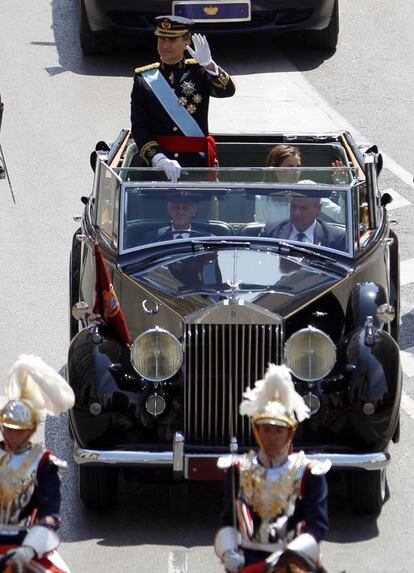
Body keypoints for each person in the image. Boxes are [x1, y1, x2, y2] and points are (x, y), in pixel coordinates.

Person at [214, 364, 330, 573]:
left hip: (294, 559)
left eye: (278, 430)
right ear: (257, 431)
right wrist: (228, 552)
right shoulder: (238, 470)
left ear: (289, 433)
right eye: (266, 429)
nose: (272, 437)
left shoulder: (308, 472)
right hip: (248, 560)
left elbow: (317, 526)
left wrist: (288, 555)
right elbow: (229, 519)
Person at [130, 15, 236, 182]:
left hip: (196, 165)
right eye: (161, 39)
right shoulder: (144, 79)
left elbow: (227, 91)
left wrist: (209, 65)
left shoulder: (199, 72)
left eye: (172, 40)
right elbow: (139, 127)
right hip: (158, 169)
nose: (165, 45)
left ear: (187, 42)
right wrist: (159, 159)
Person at [0, 355, 75, 572]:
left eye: (19, 429)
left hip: (25, 544)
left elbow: (50, 515)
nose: (14, 434)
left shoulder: (43, 463)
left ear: (30, 429)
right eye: (10, 428)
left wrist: (29, 550)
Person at [255, 145, 345, 224]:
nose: (296, 171)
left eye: (298, 167)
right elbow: (262, 230)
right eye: (290, 167)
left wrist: (343, 186)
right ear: (275, 170)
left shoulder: (309, 188)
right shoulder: (262, 196)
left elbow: (341, 217)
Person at [260, 192, 346, 251]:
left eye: (303, 208)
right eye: (293, 206)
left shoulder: (336, 239)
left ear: (318, 208)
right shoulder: (270, 232)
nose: (296, 213)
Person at [144, 197, 209, 242]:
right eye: (176, 207)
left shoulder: (207, 239)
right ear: (168, 210)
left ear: (194, 212)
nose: (180, 212)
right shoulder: (152, 239)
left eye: (186, 208)